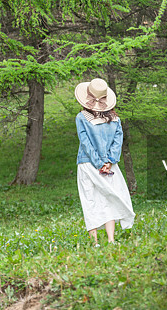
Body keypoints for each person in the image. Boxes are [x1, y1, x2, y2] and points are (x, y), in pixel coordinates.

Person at [74, 78, 135, 246]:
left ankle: (95, 243)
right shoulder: (115, 118)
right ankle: (111, 239)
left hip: (88, 163)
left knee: (90, 199)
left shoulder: (81, 118)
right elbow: (118, 141)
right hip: (110, 166)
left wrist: (98, 162)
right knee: (110, 198)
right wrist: (109, 161)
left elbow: (85, 143)